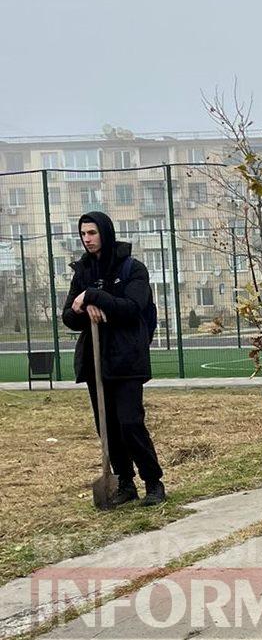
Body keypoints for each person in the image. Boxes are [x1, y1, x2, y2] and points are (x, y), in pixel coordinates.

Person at [62, 211, 165, 508]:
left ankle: (153, 482)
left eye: (92, 233)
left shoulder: (132, 268)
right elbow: (69, 316)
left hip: (126, 359)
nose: (87, 239)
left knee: (130, 423)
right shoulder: (82, 271)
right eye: (83, 234)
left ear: (105, 233)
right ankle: (124, 482)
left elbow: (132, 307)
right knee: (106, 426)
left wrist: (92, 296)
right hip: (95, 361)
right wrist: (83, 306)